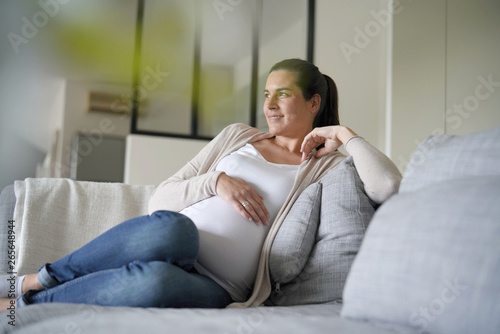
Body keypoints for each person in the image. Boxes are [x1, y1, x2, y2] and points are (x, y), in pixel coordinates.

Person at [1, 58, 401, 311]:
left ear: (314, 103)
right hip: (176, 239)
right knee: (173, 228)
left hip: (221, 285)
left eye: (283, 94)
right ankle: (40, 277)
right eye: (266, 95)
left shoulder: (325, 167)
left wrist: (346, 135)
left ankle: (27, 301)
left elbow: (387, 186)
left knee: (153, 282)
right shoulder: (237, 137)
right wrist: (218, 182)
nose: (270, 105)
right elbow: (162, 197)